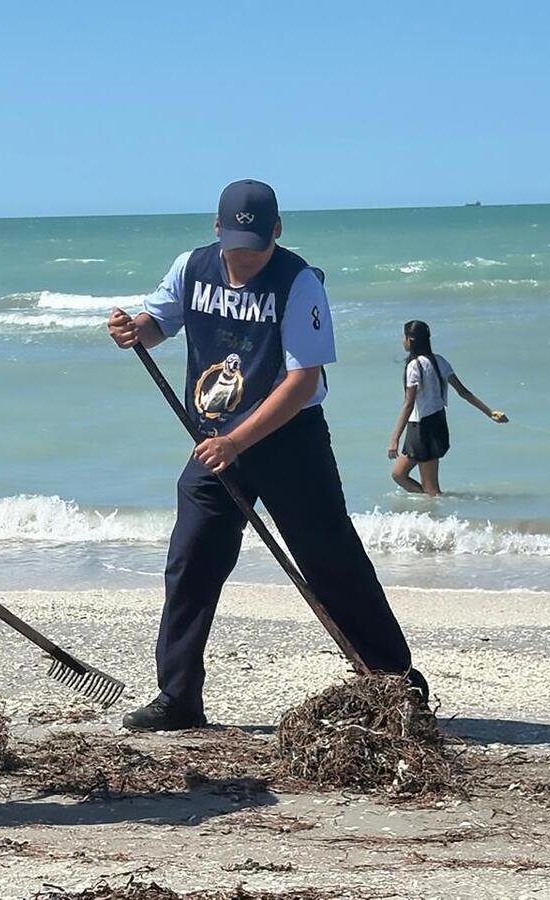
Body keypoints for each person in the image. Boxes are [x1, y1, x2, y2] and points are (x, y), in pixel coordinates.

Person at [107, 179, 426, 732]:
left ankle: (396, 683)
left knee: (331, 559)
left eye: (255, 244)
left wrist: (238, 441)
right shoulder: (192, 267)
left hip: (288, 440)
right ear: (216, 228)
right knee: (191, 561)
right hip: (216, 442)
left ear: (276, 231)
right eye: (235, 242)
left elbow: (303, 381)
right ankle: (178, 696)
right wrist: (135, 329)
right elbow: (159, 322)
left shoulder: (299, 282)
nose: (245, 256)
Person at [387, 320, 507, 496]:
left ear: (410, 339)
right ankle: (431, 514)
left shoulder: (415, 366)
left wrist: (394, 438)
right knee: (398, 474)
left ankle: (438, 515)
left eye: (403, 336)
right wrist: (489, 413)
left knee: (431, 489)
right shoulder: (440, 361)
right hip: (433, 423)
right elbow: (464, 392)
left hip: (423, 428)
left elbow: (408, 403)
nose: (402, 340)